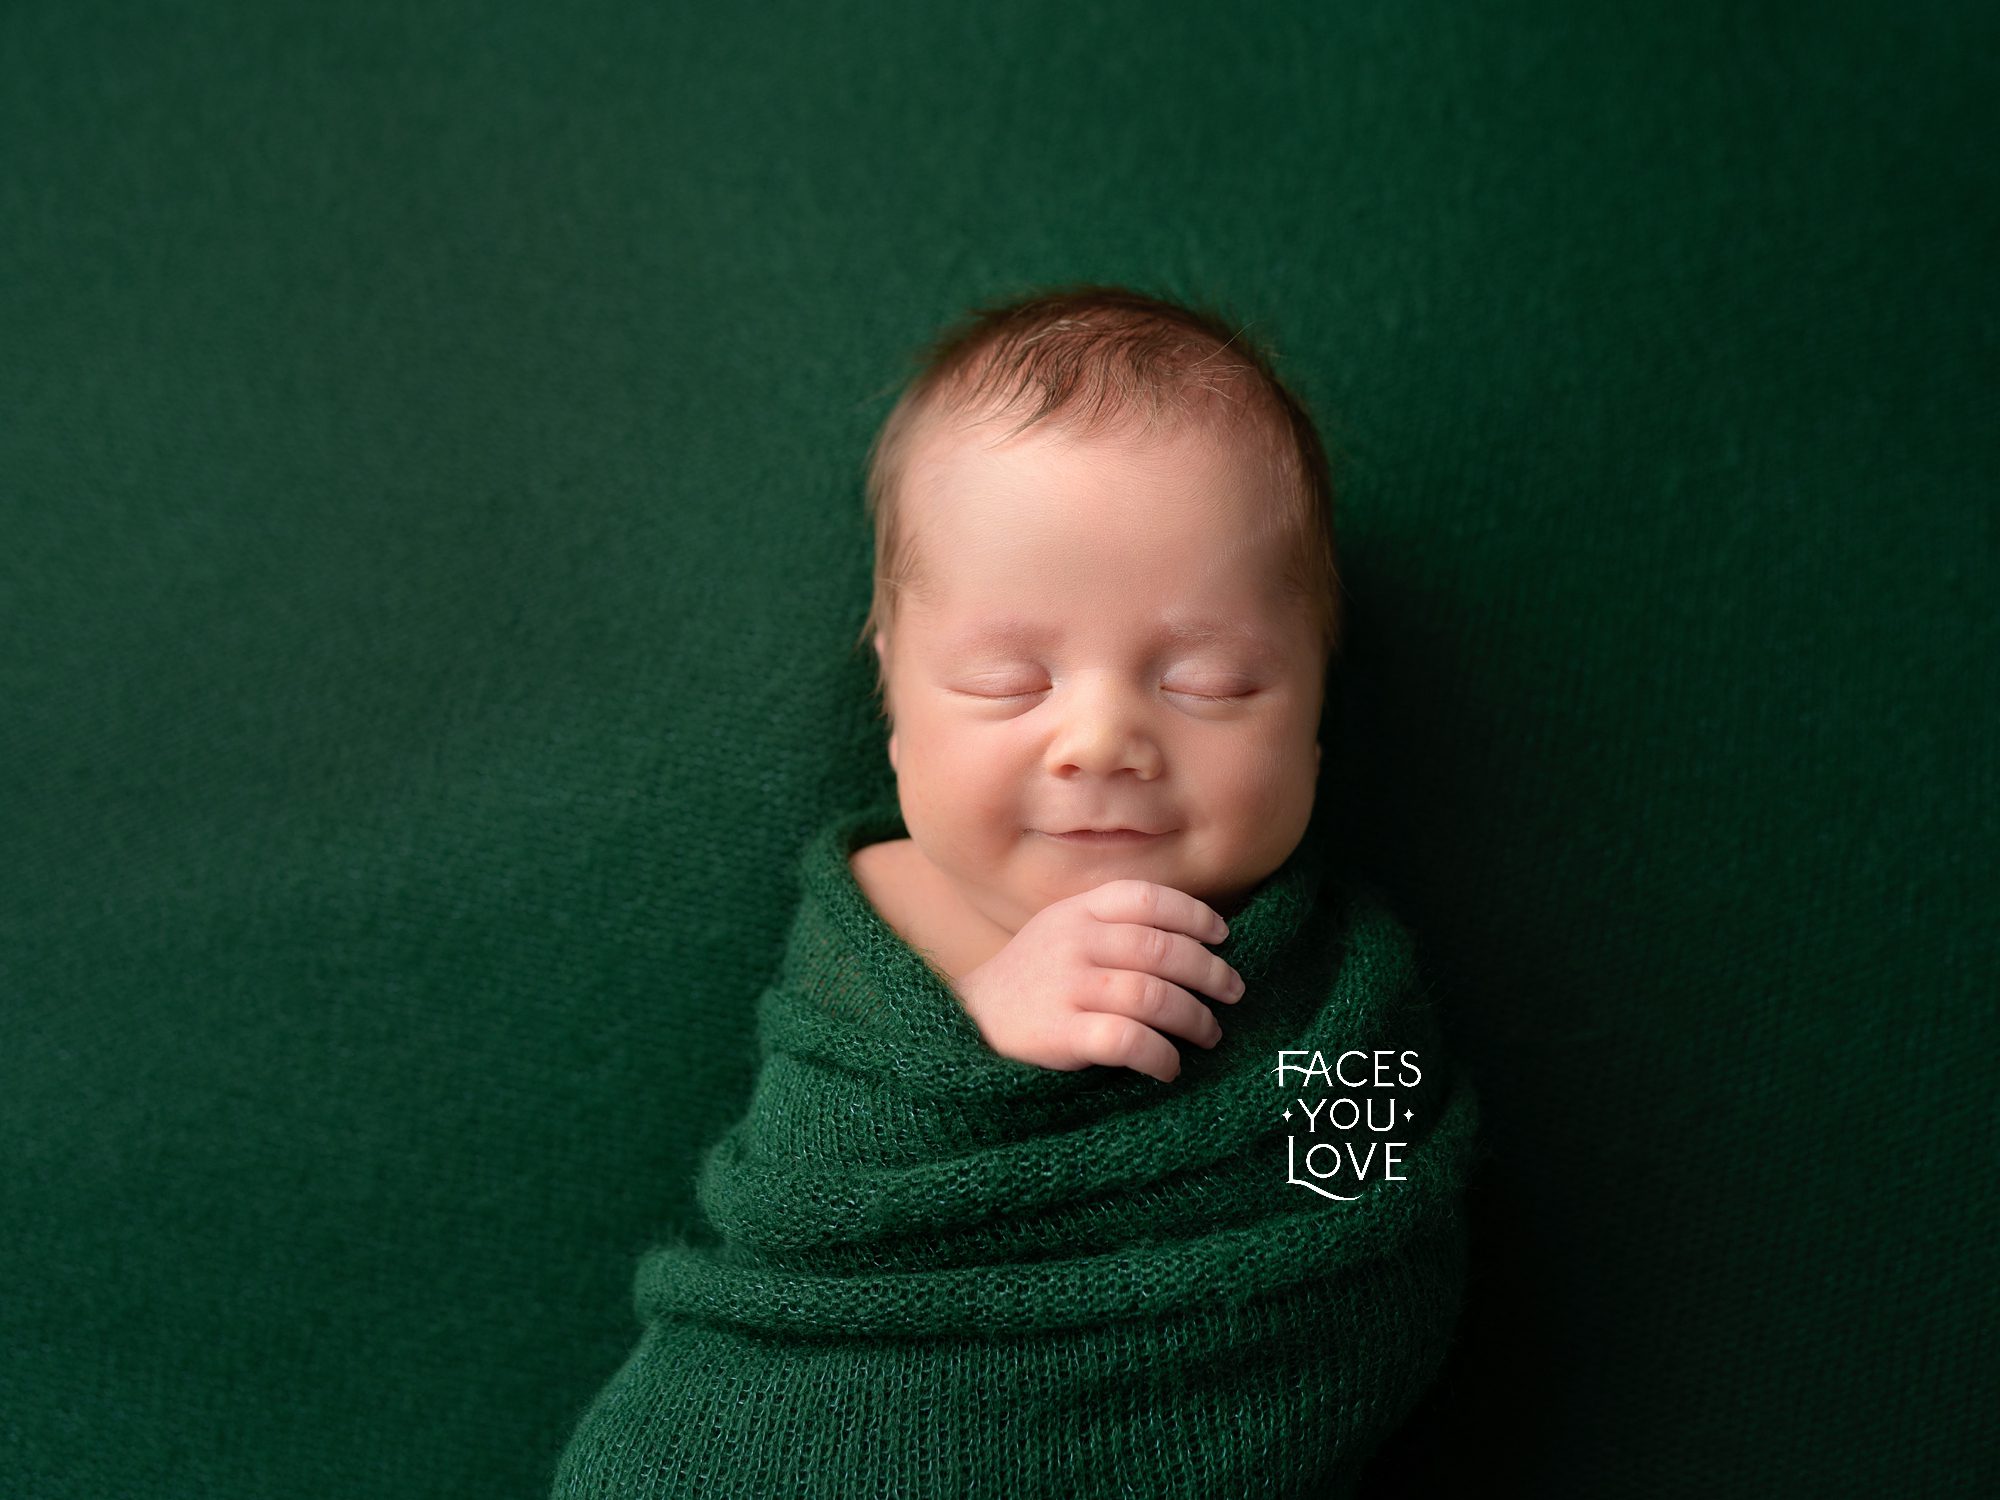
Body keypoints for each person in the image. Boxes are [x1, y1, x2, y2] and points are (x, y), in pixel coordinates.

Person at [848, 283, 1341, 1083]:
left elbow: (1383, 1186)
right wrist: (971, 1036)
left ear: (1316, 710)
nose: (1102, 741)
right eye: (1006, 682)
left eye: (1209, 684)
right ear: (892, 700)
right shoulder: (880, 919)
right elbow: (791, 1195)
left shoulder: (1332, 962)